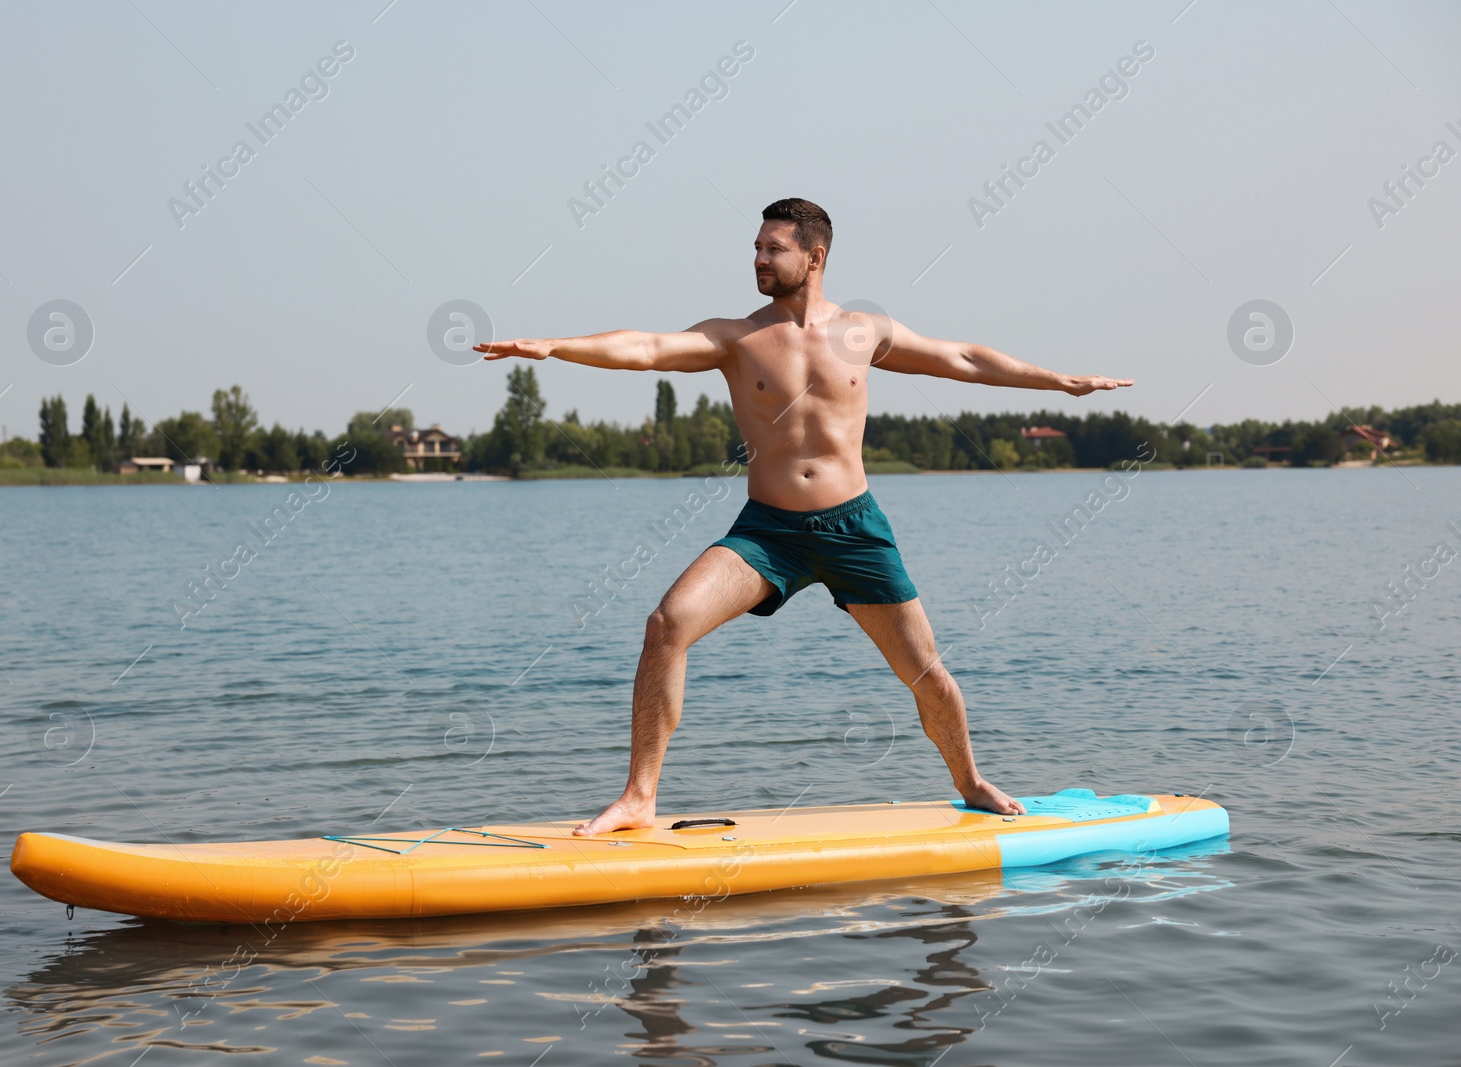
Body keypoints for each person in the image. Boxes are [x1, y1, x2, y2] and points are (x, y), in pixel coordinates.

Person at [476, 197, 1132, 835]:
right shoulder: (736, 338)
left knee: (927, 672)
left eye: (773, 248)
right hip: (769, 532)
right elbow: (646, 346)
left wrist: (1060, 381)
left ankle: (970, 782)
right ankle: (638, 797)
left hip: (855, 528)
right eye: (756, 248)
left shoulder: (863, 331)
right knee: (667, 623)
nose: (759, 258)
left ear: (814, 256)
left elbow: (962, 358)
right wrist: (554, 346)